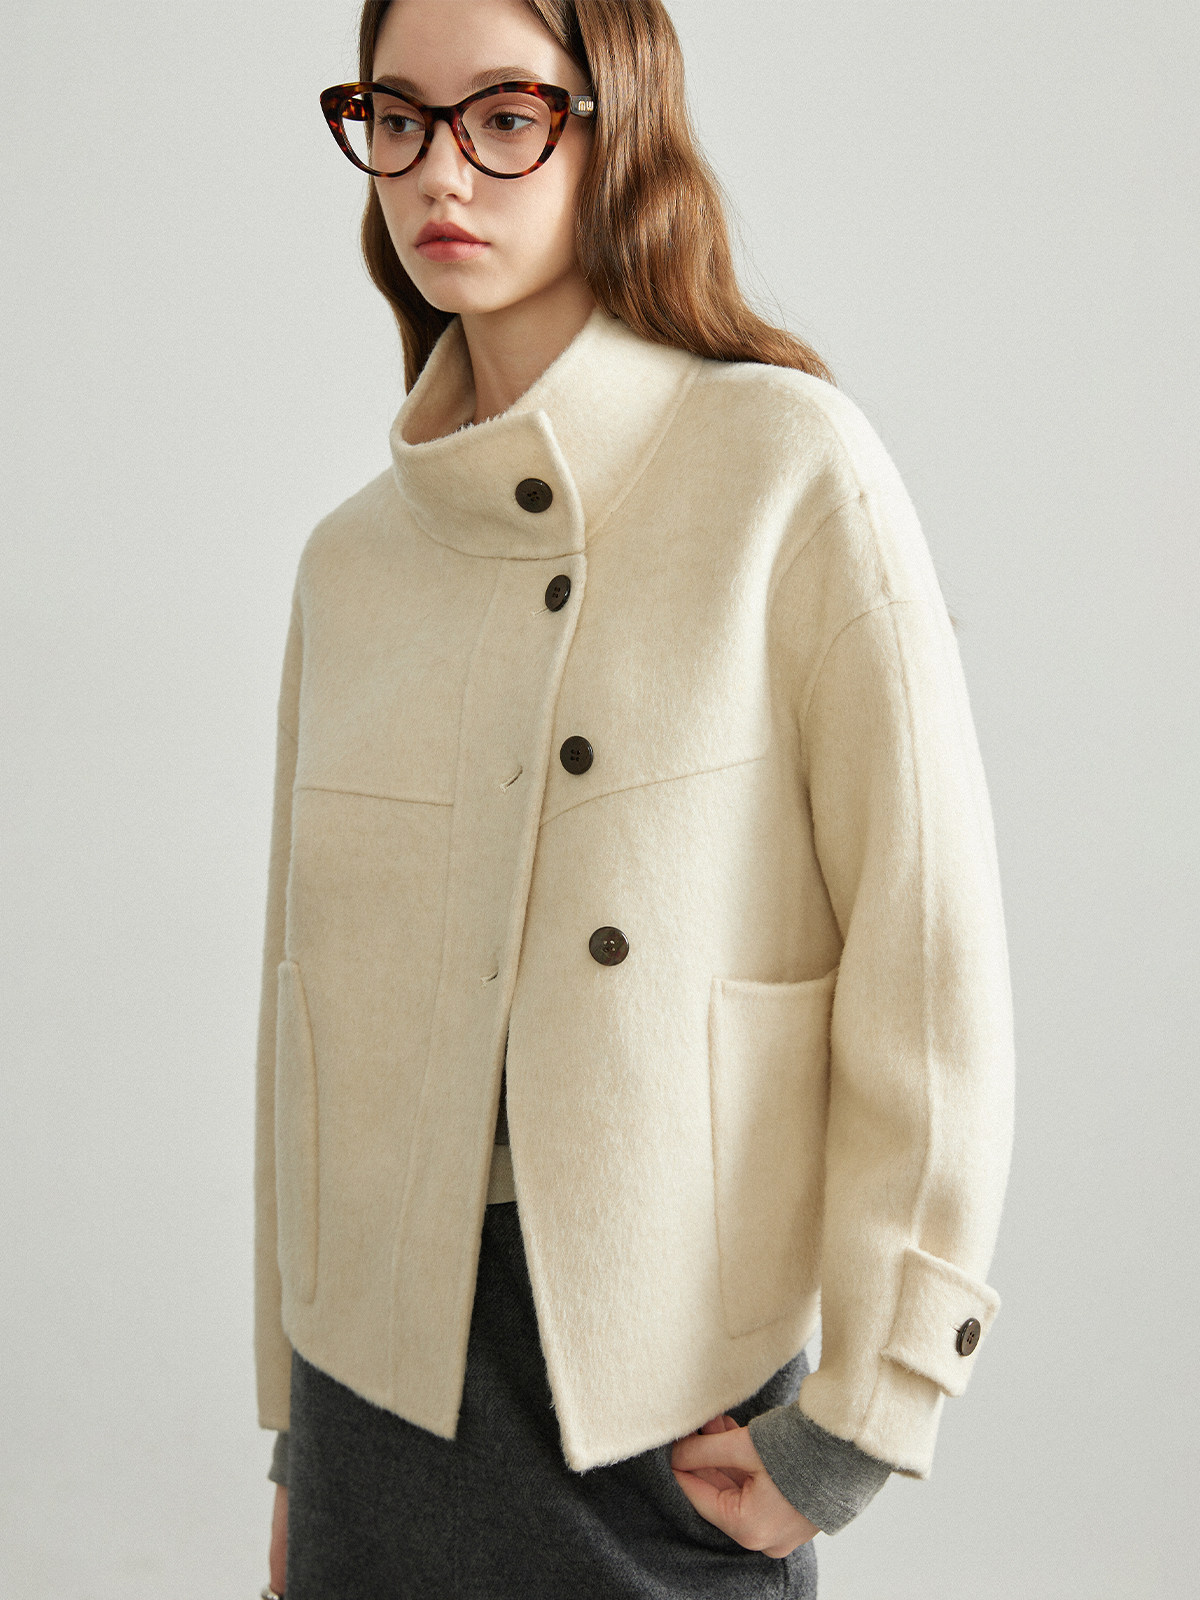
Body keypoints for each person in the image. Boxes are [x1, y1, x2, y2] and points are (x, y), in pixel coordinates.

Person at [253, 0, 1015, 1594]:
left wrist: (863, 1422)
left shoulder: (787, 470)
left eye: (504, 115)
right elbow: (298, 1017)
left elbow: (928, 956)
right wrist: (291, 1445)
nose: (439, 171)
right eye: (396, 117)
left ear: (620, 124)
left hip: (666, 1408)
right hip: (370, 1407)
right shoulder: (352, 562)